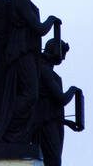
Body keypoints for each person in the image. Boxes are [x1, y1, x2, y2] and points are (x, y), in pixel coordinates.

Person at [0, 0, 60, 144]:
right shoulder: (20, 1)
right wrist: (51, 20)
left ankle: (17, 132)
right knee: (31, 95)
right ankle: (10, 129)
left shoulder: (28, 4)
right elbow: (39, 29)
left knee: (31, 96)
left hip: (29, 54)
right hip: (21, 52)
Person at [33, 38, 82, 166]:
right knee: (53, 160)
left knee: (54, 160)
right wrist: (73, 90)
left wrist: (65, 122)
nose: (63, 58)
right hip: (45, 123)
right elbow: (61, 99)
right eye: (63, 54)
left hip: (52, 122)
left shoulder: (49, 72)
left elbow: (52, 107)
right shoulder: (44, 70)